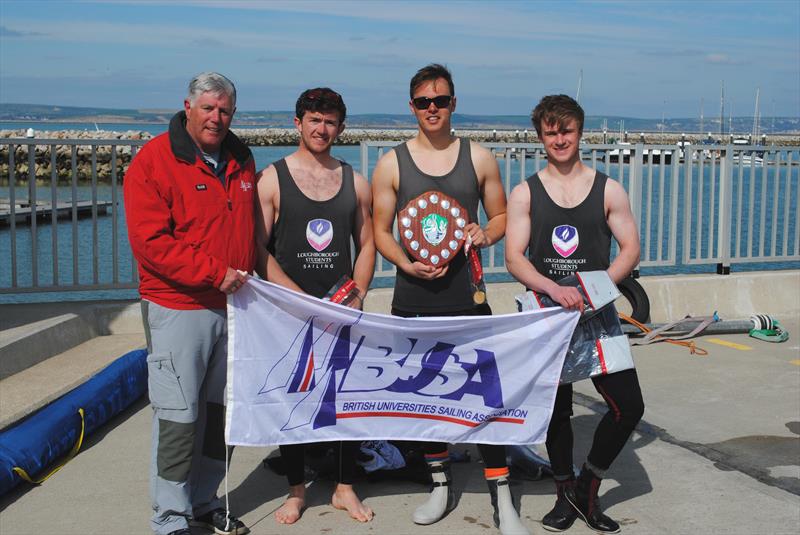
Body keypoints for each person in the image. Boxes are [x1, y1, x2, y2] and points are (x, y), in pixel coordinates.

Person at [371, 63, 529, 535]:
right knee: (425, 401)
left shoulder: (479, 158)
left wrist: (486, 232)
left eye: (440, 100)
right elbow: (379, 231)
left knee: (484, 397)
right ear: (412, 107)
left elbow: (501, 216)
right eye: (423, 101)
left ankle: (502, 497)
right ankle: (439, 486)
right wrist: (404, 262)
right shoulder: (390, 163)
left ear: (453, 103)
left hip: (469, 297)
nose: (432, 108)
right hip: (414, 296)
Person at [505, 94, 645, 534]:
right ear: (540, 136)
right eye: (551, 132)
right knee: (556, 411)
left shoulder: (609, 188)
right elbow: (514, 257)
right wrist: (552, 289)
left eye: (566, 130)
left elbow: (630, 249)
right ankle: (565, 495)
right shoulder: (525, 191)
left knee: (629, 406)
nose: (559, 139)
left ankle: (589, 485)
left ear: (579, 132)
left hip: (596, 311)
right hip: (547, 314)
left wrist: (594, 290)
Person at [124, 72, 252, 535]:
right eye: (209, 108)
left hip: (234, 309)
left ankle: (203, 500)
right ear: (188, 107)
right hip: (178, 306)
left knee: (221, 414)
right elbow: (150, 243)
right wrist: (215, 273)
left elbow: (248, 228)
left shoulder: (240, 156)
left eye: (225, 110)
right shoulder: (154, 160)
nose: (217, 118)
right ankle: (169, 518)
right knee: (179, 417)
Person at [255, 87, 376, 525]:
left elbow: (367, 244)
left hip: (342, 310)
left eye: (330, 122)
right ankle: (295, 491)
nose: (321, 128)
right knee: (294, 401)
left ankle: (345, 488)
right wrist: (296, 297)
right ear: (298, 124)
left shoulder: (355, 181)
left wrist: (357, 293)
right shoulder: (272, 178)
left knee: (344, 399)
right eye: (314, 120)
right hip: (288, 311)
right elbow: (258, 248)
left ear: (340, 128)